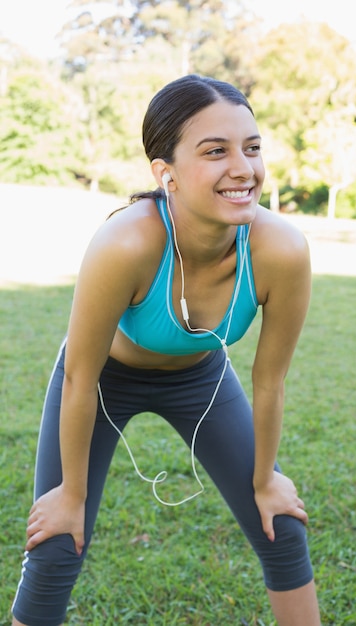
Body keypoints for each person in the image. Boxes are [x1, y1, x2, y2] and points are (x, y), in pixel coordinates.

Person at [11, 74, 321, 626]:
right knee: (57, 541)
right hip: (103, 380)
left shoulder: (282, 251)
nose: (243, 168)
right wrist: (71, 493)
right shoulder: (125, 243)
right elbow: (80, 377)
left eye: (252, 148)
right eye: (215, 151)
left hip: (201, 379)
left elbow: (270, 381)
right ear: (166, 172)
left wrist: (267, 477)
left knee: (282, 524)